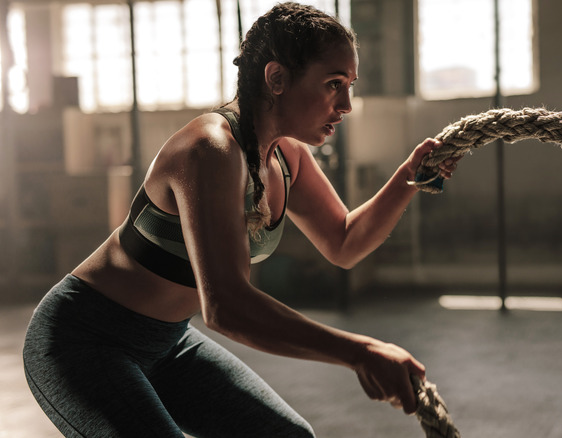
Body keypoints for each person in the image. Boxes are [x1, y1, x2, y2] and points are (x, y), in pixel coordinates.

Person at [22, 3, 458, 437]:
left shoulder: (287, 156)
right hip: (85, 341)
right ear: (277, 78)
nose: (345, 104)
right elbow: (226, 306)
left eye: (349, 85)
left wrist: (407, 178)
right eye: (333, 84)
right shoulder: (210, 150)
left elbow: (344, 242)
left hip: (169, 343)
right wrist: (361, 352)